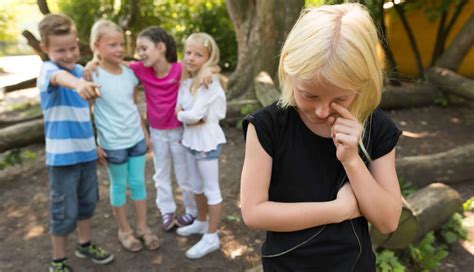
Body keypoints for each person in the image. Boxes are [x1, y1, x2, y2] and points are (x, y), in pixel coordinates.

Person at [240, 3, 402, 271]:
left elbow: (388, 221)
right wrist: (338, 210)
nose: (322, 110)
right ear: (290, 71)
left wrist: (352, 160)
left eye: (340, 98)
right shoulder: (267, 126)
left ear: (363, 85)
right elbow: (253, 212)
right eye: (309, 95)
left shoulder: (377, 128)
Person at [37, 14, 113, 272]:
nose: (69, 55)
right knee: (63, 210)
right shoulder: (49, 71)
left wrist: (94, 144)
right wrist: (79, 83)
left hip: (85, 155)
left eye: (73, 48)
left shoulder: (81, 71)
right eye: (60, 50)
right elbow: (61, 79)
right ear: (45, 48)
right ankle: (58, 261)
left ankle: (85, 244)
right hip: (62, 160)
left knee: (87, 203)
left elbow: (84, 116)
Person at [89, 19, 160, 252]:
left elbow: (133, 104)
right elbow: (84, 112)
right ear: (96, 46)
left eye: (121, 44)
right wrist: (93, 143)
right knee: (119, 186)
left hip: (136, 139)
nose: (119, 49)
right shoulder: (92, 73)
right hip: (112, 143)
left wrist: (144, 131)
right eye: (112, 45)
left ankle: (142, 227)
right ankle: (125, 230)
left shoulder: (130, 72)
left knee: (139, 183)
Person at [174, 33, 226, 259]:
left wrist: (189, 116)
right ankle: (201, 222)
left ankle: (212, 236)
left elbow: (193, 114)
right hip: (190, 141)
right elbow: (182, 112)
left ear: (208, 57)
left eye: (198, 54)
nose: (191, 57)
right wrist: (189, 116)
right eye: (188, 52)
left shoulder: (209, 81)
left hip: (206, 141)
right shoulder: (187, 82)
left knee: (211, 189)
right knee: (196, 186)